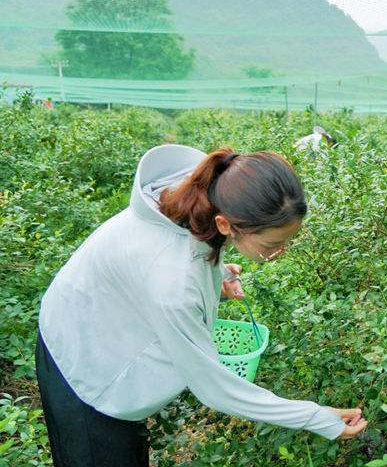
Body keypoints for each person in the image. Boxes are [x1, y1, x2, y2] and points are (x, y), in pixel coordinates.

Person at [36, 144, 367, 466]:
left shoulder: (211, 192)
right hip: (80, 361)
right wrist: (316, 417)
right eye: (273, 243)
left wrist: (216, 275)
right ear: (226, 225)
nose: (281, 251)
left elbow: (178, 253)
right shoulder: (173, 282)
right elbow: (215, 389)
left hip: (99, 316)